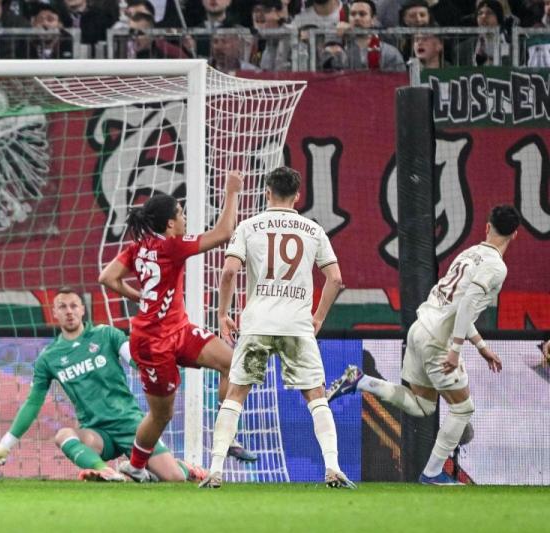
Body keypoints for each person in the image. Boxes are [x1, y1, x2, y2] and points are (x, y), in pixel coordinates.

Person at [327, 205, 521, 485]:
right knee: (463, 409)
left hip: (420, 329)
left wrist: (481, 347)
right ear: (515, 235)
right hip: (438, 342)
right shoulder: (496, 267)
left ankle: (360, 381)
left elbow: (456, 306)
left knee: (422, 405)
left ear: (487, 227)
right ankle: (432, 474)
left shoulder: (468, 254)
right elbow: (466, 305)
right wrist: (455, 349)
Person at [0, 288, 249, 481]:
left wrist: (164, 360)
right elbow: (33, 402)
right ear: (54, 313)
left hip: (133, 425)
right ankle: (105, 472)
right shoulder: (48, 358)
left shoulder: (106, 334)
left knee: (174, 479)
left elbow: (136, 360)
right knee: (64, 435)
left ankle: (183, 468)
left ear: (82, 309)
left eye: (74, 305)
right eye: (62, 307)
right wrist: (6, 444)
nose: (69, 311)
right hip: (97, 433)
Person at [200, 166, 354, 489]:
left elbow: (228, 272)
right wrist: (318, 317)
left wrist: (223, 313)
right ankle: (332, 467)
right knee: (316, 395)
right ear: (297, 196)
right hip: (297, 325)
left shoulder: (249, 226)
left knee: (236, 394)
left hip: (257, 323)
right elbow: (336, 279)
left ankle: (215, 470)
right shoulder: (313, 230)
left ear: (267, 192)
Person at [98, 172, 244, 483]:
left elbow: (107, 277)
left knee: (232, 363)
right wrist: (232, 192)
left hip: (179, 329)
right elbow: (223, 233)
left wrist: (138, 296)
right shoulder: (172, 247)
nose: (184, 218)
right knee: (162, 414)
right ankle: (135, 466)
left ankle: (226, 433)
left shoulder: (138, 247)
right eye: (181, 213)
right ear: (170, 224)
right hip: (152, 343)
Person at [344, 0, 406, 71]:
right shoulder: (342, 50)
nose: (357, 18)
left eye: (362, 14)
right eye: (353, 14)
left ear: (373, 19)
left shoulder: (390, 53)